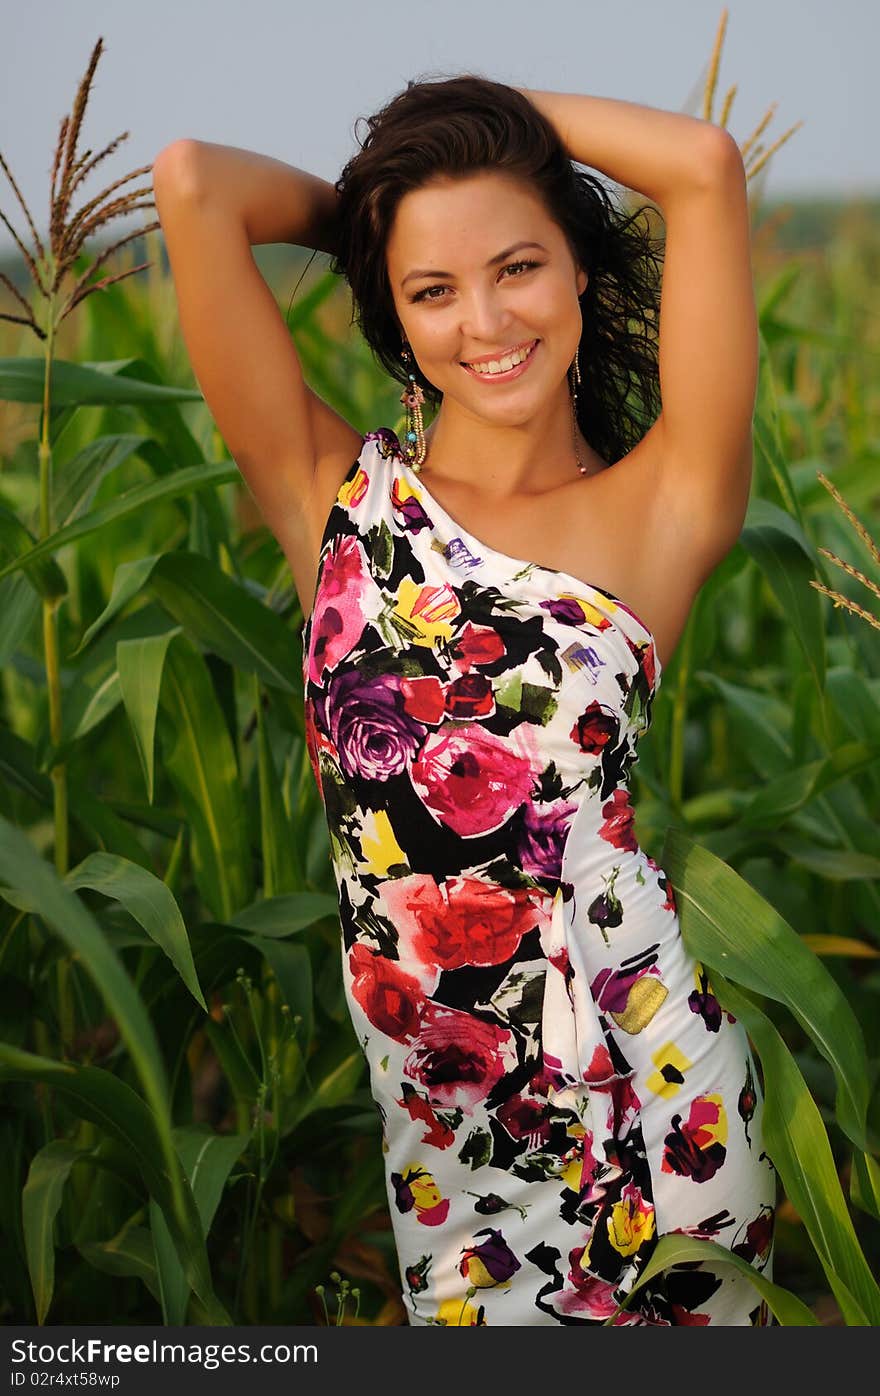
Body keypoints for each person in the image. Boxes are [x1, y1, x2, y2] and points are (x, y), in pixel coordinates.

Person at [152, 73, 777, 1326]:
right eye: (432, 290)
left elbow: (703, 167)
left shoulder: (661, 508)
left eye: (518, 267)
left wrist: (472, 119)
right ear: (391, 306)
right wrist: (387, 211)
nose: (485, 321)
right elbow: (191, 185)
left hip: (643, 1100)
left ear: (582, 273)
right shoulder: (333, 500)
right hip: (442, 1132)